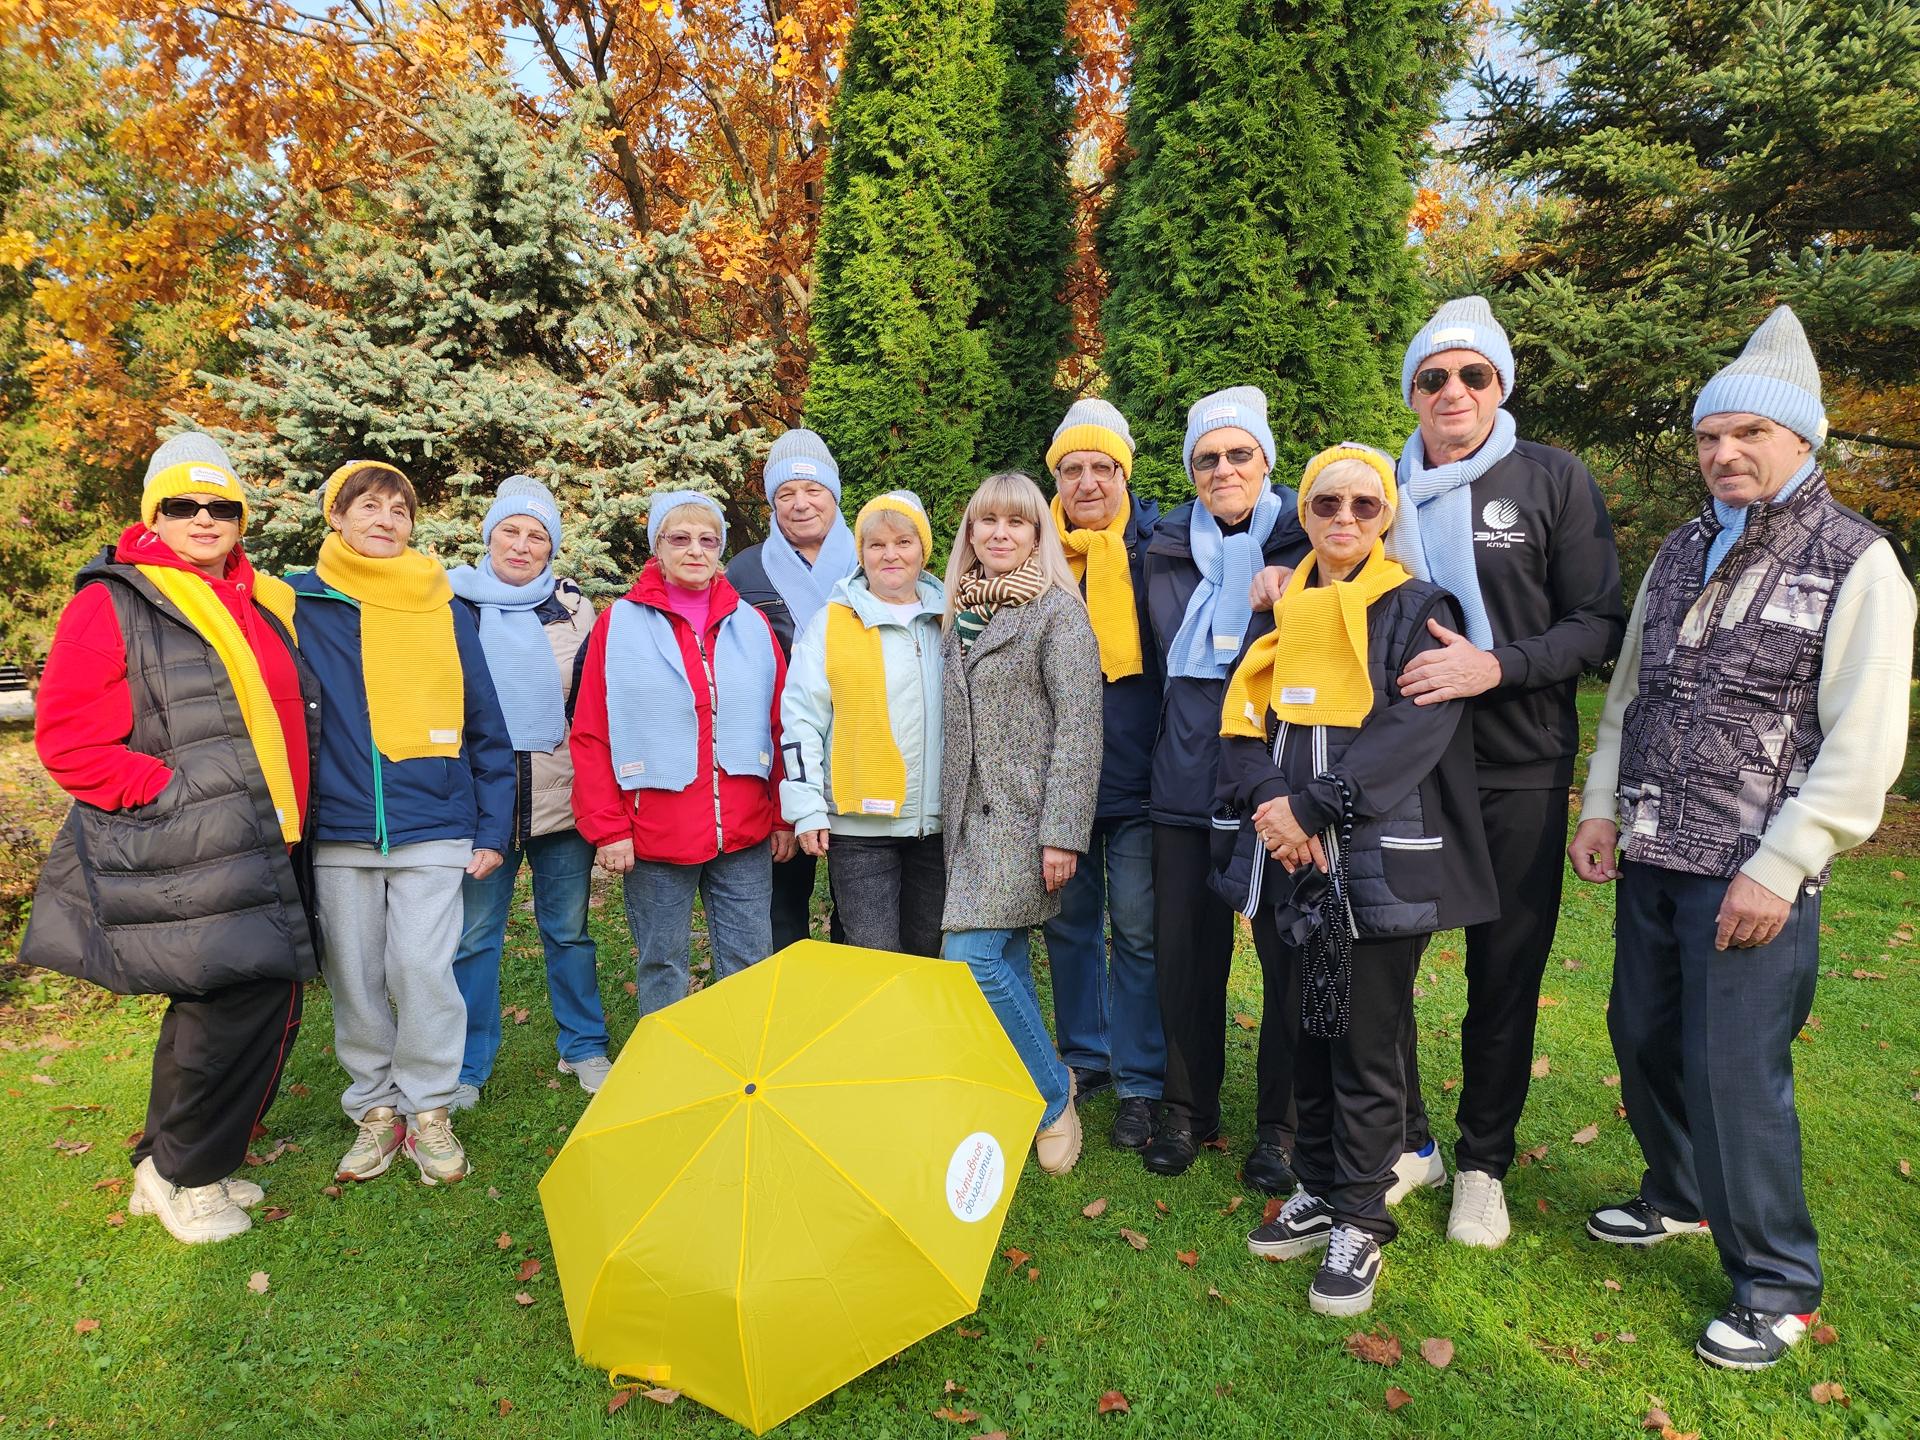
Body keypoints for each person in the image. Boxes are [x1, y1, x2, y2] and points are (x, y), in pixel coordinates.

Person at [1570, 306, 1916, 1370]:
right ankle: (1674, 1194)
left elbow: (1865, 741)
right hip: (1655, 856)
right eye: (1710, 437)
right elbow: (1631, 692)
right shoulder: (1680, 549)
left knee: (1735, 1075)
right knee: (1642, 1039)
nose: (1724, 453)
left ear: (1802, 441)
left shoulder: (1857, 561)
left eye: (1749, 436)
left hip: (1750, 876)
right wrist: (1598, 804)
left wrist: (1784, 862)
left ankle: (1775, 1283)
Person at [1218, 443, 1496, 1316]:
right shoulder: (1283, 608)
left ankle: (1362, 1220)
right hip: (1284, 851)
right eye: (1326, 503)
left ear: (1387, 518)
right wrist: (1273, 803)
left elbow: (1416, 728)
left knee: (1365, 1041)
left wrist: (1319, 807)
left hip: (1370, 858)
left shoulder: (1418, 607)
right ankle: (1320, 1182)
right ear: (1304, 513)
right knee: (1303, 1024)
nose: (1344, 519)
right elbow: (1243, 722)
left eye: (1363, 506)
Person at [24, 433, 316, 1244]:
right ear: (154, 513)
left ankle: (164, 1160)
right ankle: (187, 1177)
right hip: (197, 840)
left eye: (220, 505)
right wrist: (170, 792)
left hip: (268, 834)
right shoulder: (117, 601)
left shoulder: (258, 600)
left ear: (240, 516)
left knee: (218, 1008)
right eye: (182, 504)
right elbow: (69, 740)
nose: (203, 518)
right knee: (234, 1006)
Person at [1381, 297, 1624, 1246]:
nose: (1452, 391)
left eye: (1472, 375)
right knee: (1386, 959)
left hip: (1519, 761)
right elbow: (1324, 547)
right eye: (1433, 377)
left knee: (1505, 970)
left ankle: (1484, 1161)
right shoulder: (1383, 487)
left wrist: (1495, 665)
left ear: (1501, 386)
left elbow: (1596, 622)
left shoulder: (1552, 480)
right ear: (1411, 392)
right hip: (1409, 766)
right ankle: (1408, 1139)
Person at [289, 461, 514, 1189]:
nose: (385, 520)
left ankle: (429, 1111)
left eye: (399, 509)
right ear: (336, 517)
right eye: (368, 507)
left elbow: (485, 719)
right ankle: (374, 1112)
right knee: (355, 977)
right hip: (341, 827)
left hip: (435, 823)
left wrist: (491, 828)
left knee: (420, 969)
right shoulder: (300, 601)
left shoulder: (442, 604)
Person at [1141, 386, 1309, 1183]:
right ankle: (1186, 1108)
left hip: (1274, 782)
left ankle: (1280, 1125)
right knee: (1185, 956)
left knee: (1285, 954)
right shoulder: (1165, 547)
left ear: (1267, 460)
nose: (1223, 469)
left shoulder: (1310, 542)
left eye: (1239, 454)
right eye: (1206, 458)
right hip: (1183, 775)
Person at [939, 472, 1104, 1176]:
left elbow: (1080, 728)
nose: (1000, 534)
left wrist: (1063, 831)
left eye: (1017, 523)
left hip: (1022, 819)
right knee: (1001, 955)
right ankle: (1042, 1079)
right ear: (970, 534)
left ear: (1039, 535)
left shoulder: (1059, 614)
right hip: (963, 822)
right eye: (987, 522)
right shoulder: (956, 614)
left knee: (970, 959)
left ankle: (1048, 1094)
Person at [572, 490, 792, 1015]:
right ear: (658, 547)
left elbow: (781, 722)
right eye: (680, 539)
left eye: (708, 540)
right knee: (662, 960)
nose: (695, 550)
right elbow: (592, 730)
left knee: (749, 957)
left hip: (744, 828)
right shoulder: (619, 624)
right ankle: (667, 1070)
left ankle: (744, 1067)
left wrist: (784, 815)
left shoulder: (750, 623)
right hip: (655, 829)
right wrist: (609, 828)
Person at [446, 476, 609, 1107]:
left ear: (552, 547)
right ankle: (466, 1064)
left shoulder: (574, 609)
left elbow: (592, 703)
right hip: (479, 804)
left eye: (537, 535)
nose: (521, 545)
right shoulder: (453, 603)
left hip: (559, 796)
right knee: (473, 936)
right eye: (510, 531)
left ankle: (584, 1045)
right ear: (489, 536)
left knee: (568, 930)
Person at [1040, 399, 1166, 1151]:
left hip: (1143, 777)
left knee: (1142, 931)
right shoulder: (1036, 558)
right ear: (1055, 476)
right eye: (1072, 468)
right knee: (1070, 929)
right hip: (1062, 785)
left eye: (1101, 467)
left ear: (1124, 473)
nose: (1087, 482)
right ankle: (1085, 1058)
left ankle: (1143, 1080)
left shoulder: (1163, 546)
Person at [780, 491, 947, 955]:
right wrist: (807, 809)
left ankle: (915, 1032)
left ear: (922, 549)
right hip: (859, 831)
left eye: (903, 542)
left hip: (935, 826)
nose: (890, 554)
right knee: (871, 955)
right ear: (861, 553)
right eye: (876, 545)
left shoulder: (948, 621)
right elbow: (800, 721)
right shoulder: (832, 624)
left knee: (926, 956)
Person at [729, 428, 858, 949]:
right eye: (785, 494)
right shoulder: (744, 571)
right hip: (780, 751)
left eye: (813, 491)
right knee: (784, 898)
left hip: (860, 748)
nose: (801, 504)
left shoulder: (872, 559)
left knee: (861, 896)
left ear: (834, 495)